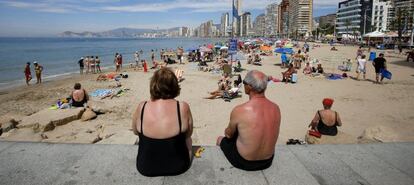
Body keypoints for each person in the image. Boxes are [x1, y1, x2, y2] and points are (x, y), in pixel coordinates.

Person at [132, 68, 193, 177]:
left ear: (153, 85)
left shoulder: (142, 106)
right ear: (175, 85)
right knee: (188, 139)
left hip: (145, 167)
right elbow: (188, 134)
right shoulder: (182, 107)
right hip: (179, 167)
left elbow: (135, 131)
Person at [216, 70, 281, 171]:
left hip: (245, 161)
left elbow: (228, 135)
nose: (243, 84)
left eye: (244, 83)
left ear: (249, 87)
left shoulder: (240, 110)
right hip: (267, 161)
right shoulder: (276, 108)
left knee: (221, 139)